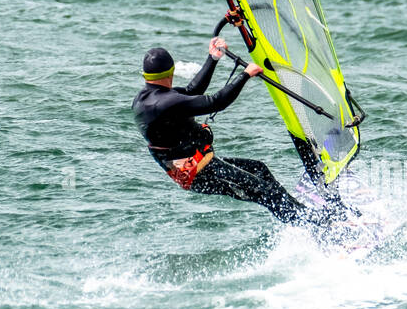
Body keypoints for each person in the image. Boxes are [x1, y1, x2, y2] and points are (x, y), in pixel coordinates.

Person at [132, 39, 325, 225]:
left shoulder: (146, 98)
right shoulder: (166, 102)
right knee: (264, 191)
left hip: (205, 165)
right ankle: (318, 225)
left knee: (259, 170)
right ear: (171, 72)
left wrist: (212, 59)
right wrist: (245, 75)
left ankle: (303, 214)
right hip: (201, 174)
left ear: (146, 75)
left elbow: (192, 91)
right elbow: (215, 102)